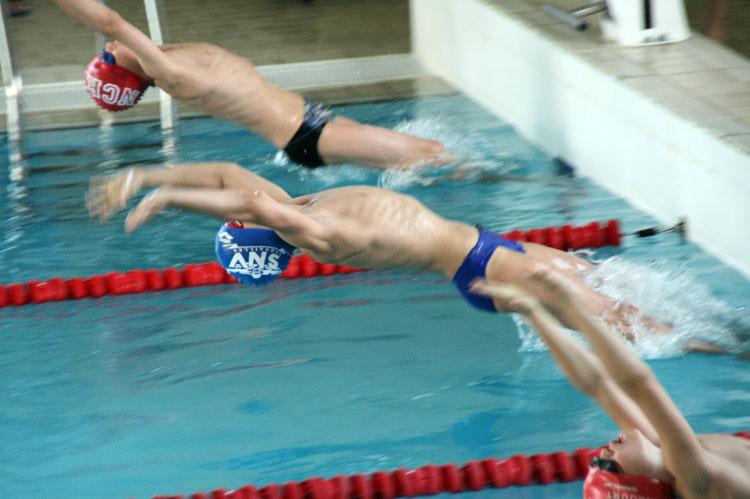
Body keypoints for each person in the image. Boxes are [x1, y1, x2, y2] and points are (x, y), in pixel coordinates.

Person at [87, 161, 671, 339]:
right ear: (254, 228)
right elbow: (245, 197)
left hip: (485, 247)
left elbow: (224, 173)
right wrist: (165, 197)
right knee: (622, 320)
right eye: (239, 220)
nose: (239, 211)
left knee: (603, 279)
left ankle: (688, 333)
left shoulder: (300, 209)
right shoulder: (314, 233)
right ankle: (701, 346)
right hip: (479, 266)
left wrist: (146, 175)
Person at [52, 0, 448, 171]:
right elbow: (110, 22)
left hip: (312, 118)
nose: (107, 47)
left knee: (418, 158)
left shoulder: (163, 58)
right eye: (106, 58)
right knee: (432, 153)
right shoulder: (168, 72)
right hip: (307, 135)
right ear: (125, 75)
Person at [469, 270, 750, 499]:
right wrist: (572, 307)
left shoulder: (660, 451)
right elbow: (641, 385)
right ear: (642, 485)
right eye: (607, 465)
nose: (602, 453)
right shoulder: (696, 481)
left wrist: (532, 311)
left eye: (596, 463)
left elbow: (597, 384)